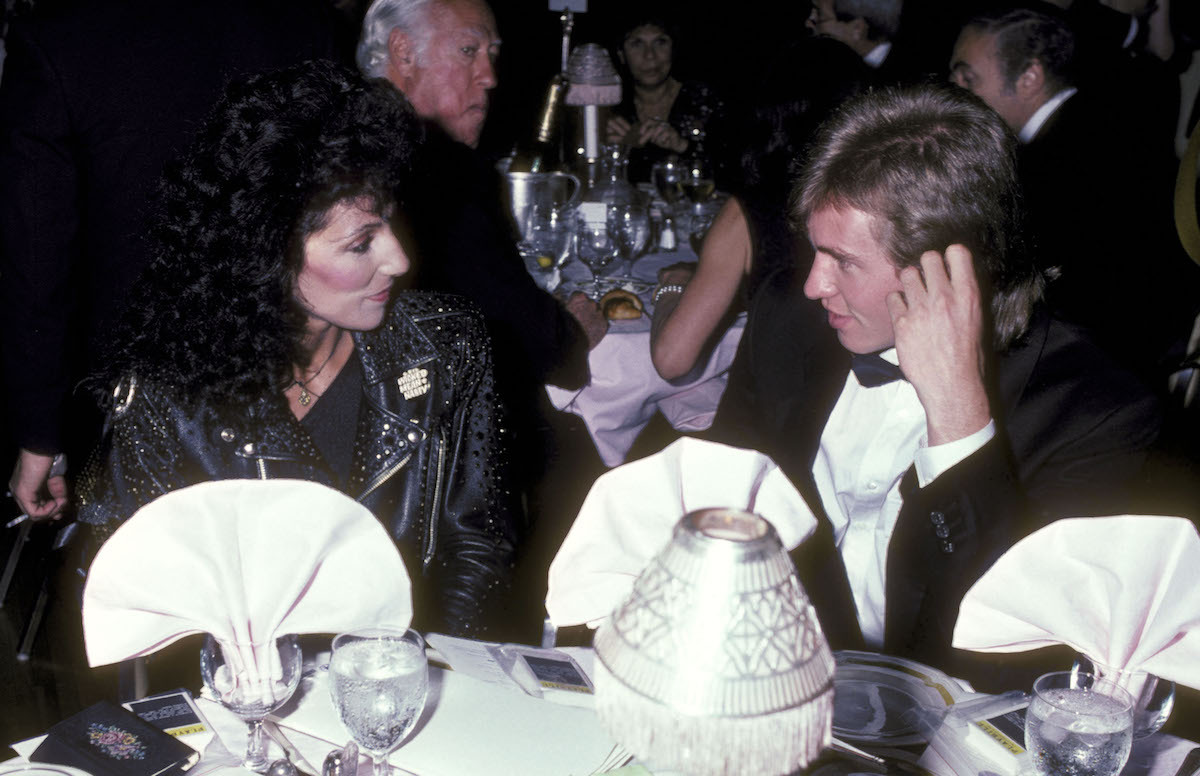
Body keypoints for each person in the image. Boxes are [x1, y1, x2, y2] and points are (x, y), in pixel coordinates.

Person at [710, 84, 1161, 684]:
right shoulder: (787, 322)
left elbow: (1030, 661)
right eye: (814, 251)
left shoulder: (1096, 414)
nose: (814, 285)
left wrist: (959, 413)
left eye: (843, 261)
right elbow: (719, 490)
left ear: (949, 270)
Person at [76, 61, 519, 639]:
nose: (399, 259)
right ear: (269, 257)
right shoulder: (167, 401)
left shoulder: (445, 344)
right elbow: (142, 608)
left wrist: (419, 674)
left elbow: (479, 545)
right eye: (361, 243)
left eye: (388, 221)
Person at [0, 0, 345, 525]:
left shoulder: (58, 41)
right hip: (287, 376)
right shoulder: (304, 23)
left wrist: (39, 433)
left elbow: (37, 259)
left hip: (131, 396)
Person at [950, 7, 1200, 382]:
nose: (955, 92)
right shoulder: (1105, 117)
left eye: (968, 79)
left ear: (1030, 77)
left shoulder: (1048, 165)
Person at [650, 37, 867, 382]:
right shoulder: (888, 200)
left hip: (783, 414)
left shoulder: (750, 212)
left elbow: (671, 359)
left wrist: (673, 288)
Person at [604, 14, 724, 183]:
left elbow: (730, 170)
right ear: (621, 55)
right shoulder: (611, 105)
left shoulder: (702, 98)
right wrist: (613, 149)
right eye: (637, 44)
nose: (650, 55)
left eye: (660, 42)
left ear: (673, 49)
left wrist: (682, 146)